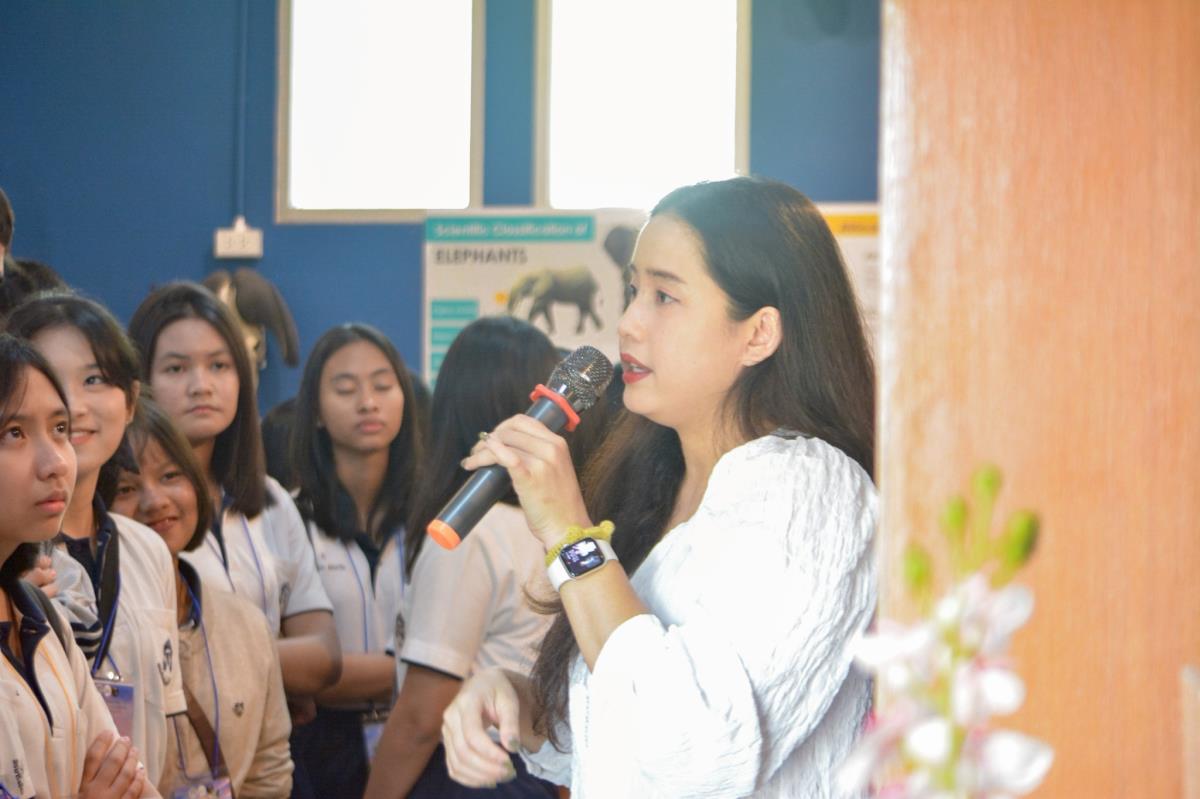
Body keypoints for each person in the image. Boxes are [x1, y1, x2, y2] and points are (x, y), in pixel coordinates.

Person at [441, 177, 878, 797]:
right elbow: (620, 737)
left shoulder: (811, 490)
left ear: (758, 333)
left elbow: (691, 760)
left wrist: (569, 534)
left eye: (665, 297)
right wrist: (519, 702)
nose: (627, 324)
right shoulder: (655, 481)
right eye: (633, 292)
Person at [364, 316, 562, 799]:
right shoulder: (556, 523)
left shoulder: (469, 532)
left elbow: (422, 715)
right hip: (535, 768)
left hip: (471, 772)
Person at [126, 282, 341, 721]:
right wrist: (279, 672)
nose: (201, 386)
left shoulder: (271, 499)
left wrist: (226, 663)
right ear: (139, 382)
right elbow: (151, 662)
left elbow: (324, 659)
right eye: (176, 368)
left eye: (219, 365)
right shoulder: (133, 508)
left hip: (269, 747)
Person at [7, 291, 186, 788]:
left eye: (94, 379)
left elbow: (168, 719)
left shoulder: (147, 548)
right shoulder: (17, 566)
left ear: (131, 401)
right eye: (51, 379)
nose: (74, 403)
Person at [110, 395, 293, 797]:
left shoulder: (245, 625)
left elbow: (269, 773)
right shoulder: (92, 632)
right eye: (126, 488)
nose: (155, 500)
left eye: (170, 476)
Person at [287, 323, 424, 797]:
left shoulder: (436, 519)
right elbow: (292, 672)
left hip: (421, 737)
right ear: (316, 410)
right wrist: (429, 672)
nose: (368, 402)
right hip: (320, 747)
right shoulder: (288, 518)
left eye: (383, 386)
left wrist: (333, 674)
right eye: (346, 390)